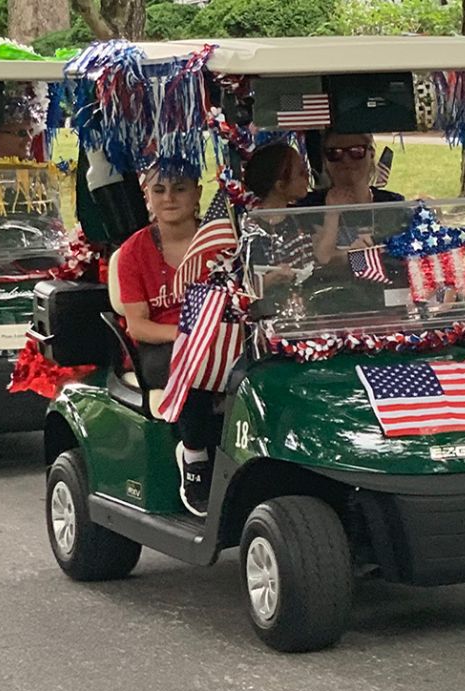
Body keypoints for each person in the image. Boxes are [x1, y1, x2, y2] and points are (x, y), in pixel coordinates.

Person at [108, 169, 223, 516]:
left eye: (180, 188)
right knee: (193, 360)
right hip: (162, 345)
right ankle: (194, 454)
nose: (169, 198)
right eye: (159, 190)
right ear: (147, 196)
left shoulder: (220, 242)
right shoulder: (134, 252)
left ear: (197, 193)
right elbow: (139, 326)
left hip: (220, 336)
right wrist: (187, 334)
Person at [299, 132, 406, 269]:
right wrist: (332, 213)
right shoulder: (309, 206)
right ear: (325, 159)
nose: (346, 160)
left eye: (356, 152)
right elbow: (321, 260)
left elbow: (398, 259)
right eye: (335, 153)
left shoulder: (391, 203)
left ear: (371, 153)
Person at [239, 143, 315, 295]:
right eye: (301, 173)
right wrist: (271, 280)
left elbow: (322, 260)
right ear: (280, 186)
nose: (308, 176)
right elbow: (242, 286)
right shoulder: (249, 229)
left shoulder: (304, 216)